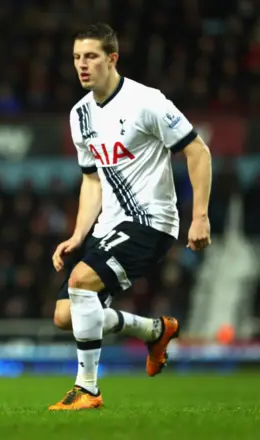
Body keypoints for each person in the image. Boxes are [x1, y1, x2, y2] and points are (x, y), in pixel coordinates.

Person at [49, 23, 212, 410]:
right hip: (109, 225)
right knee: (66, 315)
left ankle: (87, 388)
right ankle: (156, 330)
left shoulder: (147, 102)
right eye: (76, 58)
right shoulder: (80, 115)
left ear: (112, 58)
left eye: (90, 56)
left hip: (151, 222)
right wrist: (77, 234)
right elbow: (92, 181)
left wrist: (200, 216)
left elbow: (198, 151)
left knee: (81, 281)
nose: (82, 65)